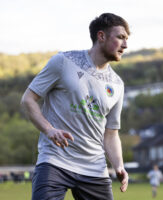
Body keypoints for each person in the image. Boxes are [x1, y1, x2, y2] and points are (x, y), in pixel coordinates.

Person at [21, 13, 130, 200]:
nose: (125, 45)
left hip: (94, 168)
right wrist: (49, 130)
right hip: (55, 161)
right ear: (101, 36)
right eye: (120, 37)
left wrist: (119, 164)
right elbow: (28, 99)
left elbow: (111, 133)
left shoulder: (117, 85)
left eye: (127, 39)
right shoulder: (63, 62)